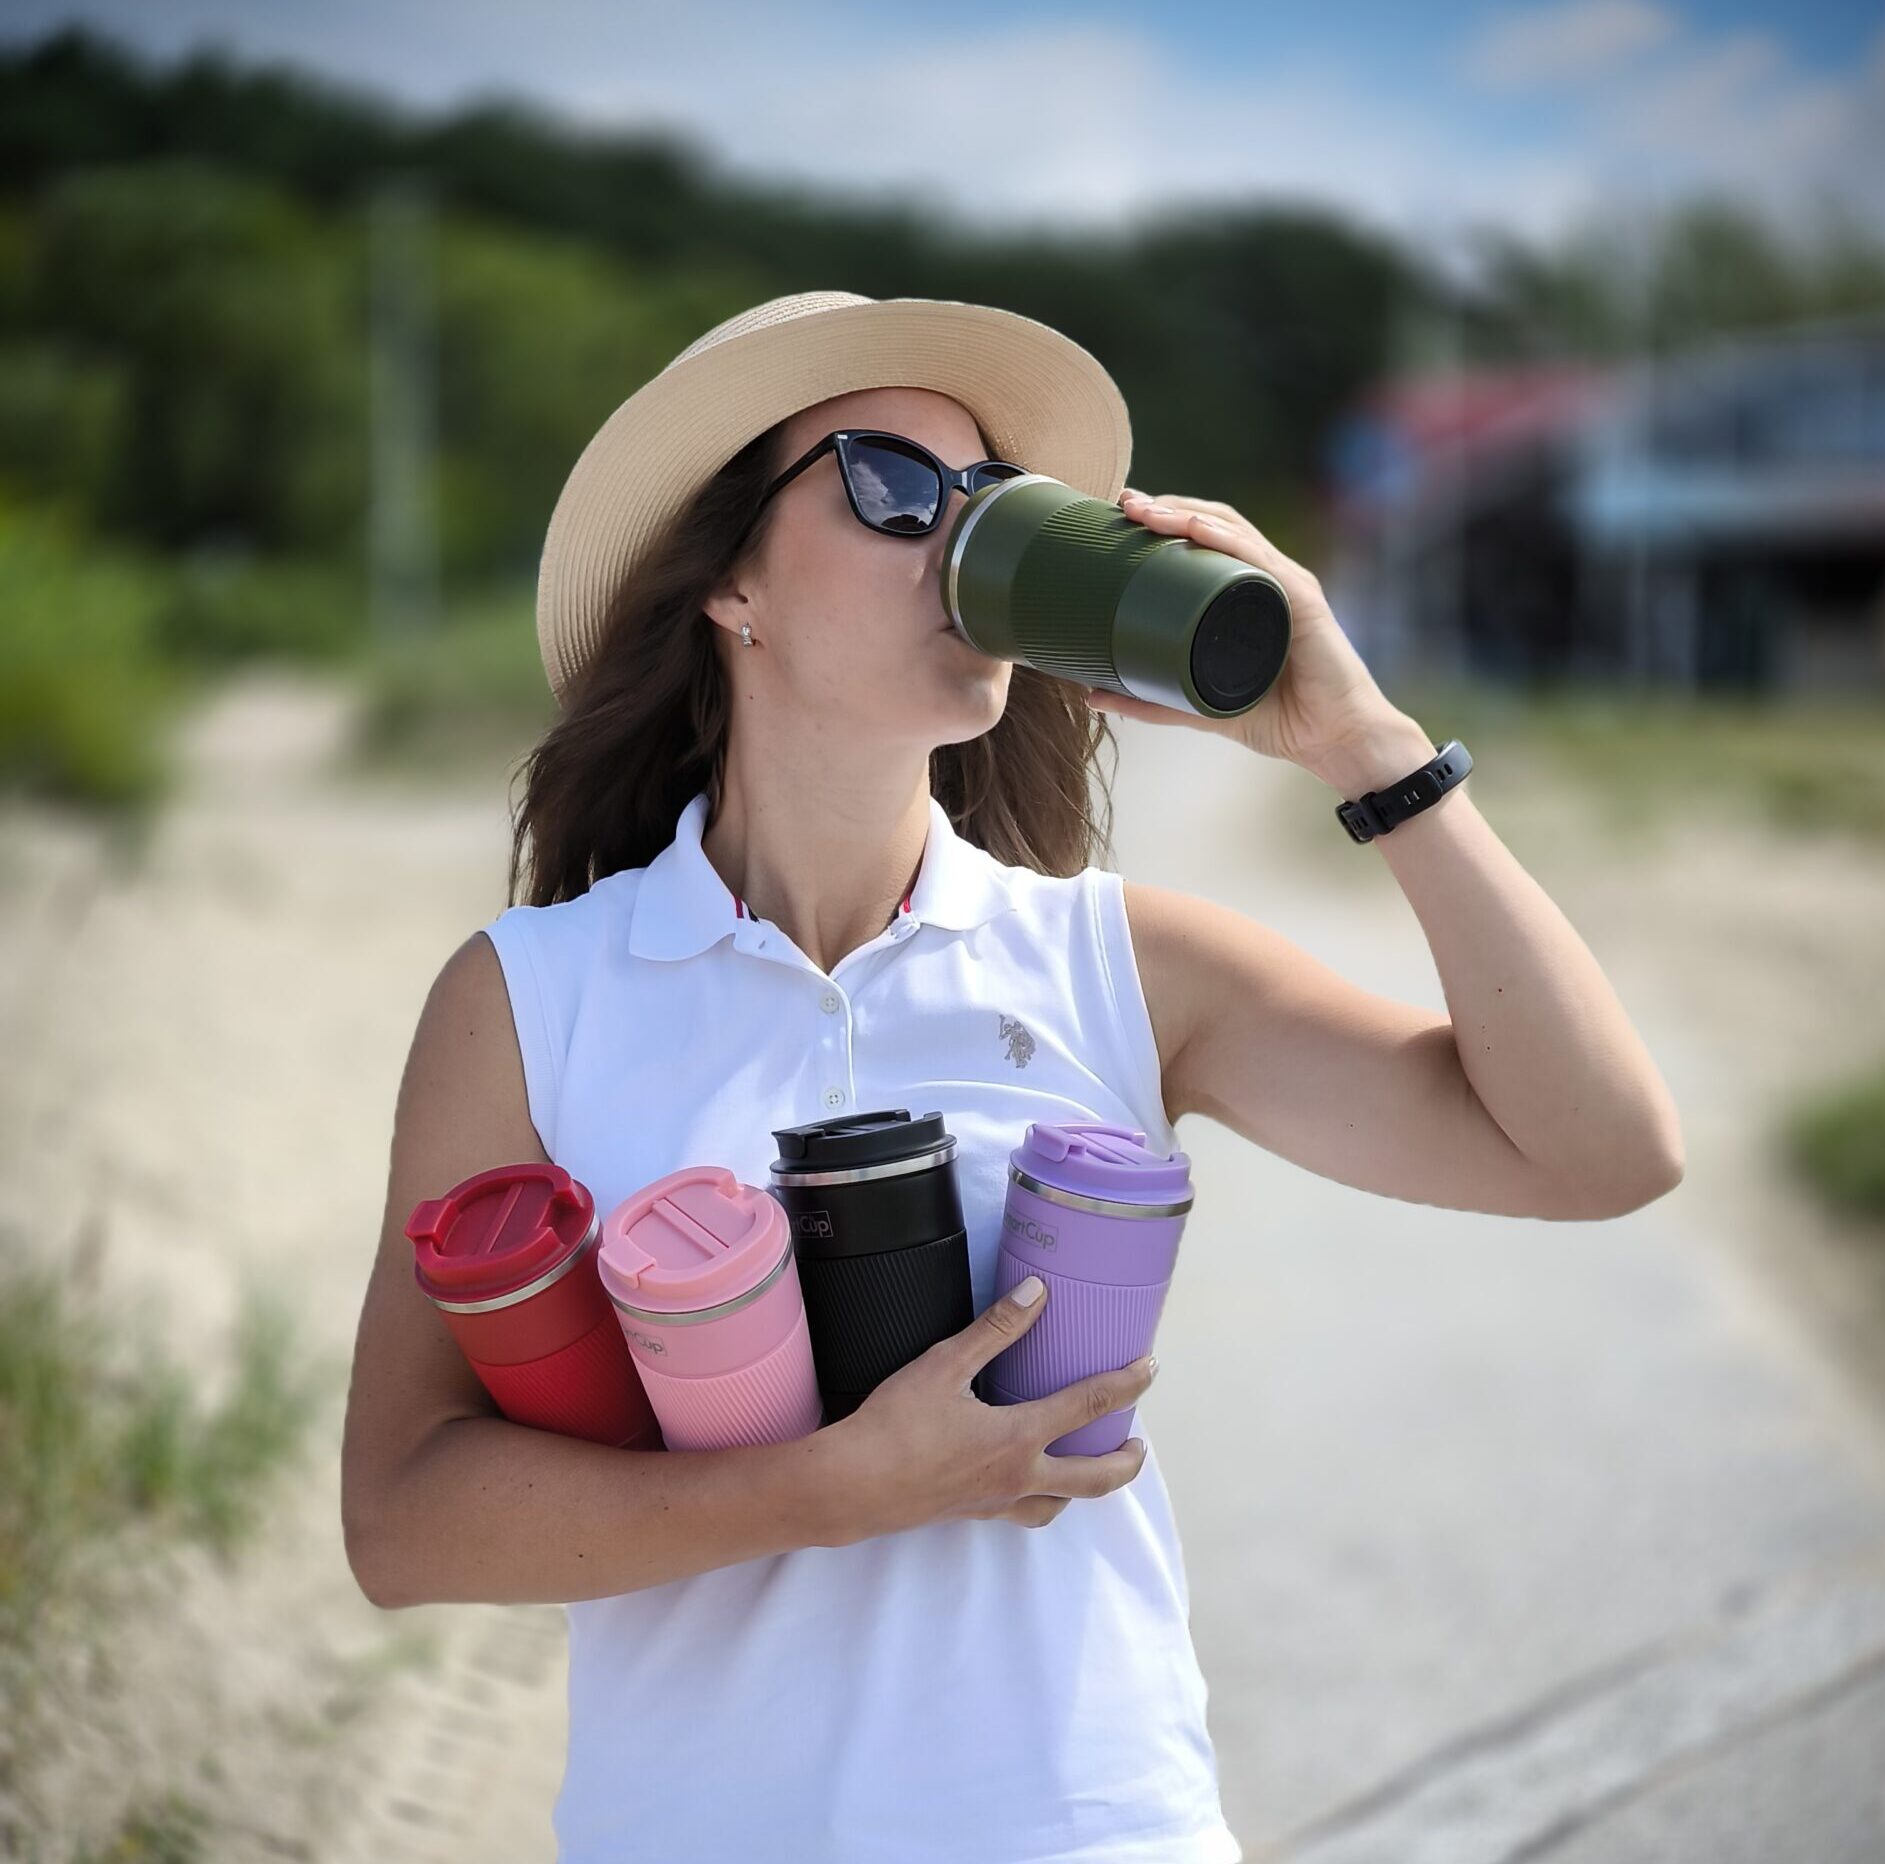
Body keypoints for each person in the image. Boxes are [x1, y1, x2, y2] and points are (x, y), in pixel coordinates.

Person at [340, 291, 1686, 1863]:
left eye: (991, 503)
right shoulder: (530, 1000)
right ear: (730, 584)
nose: (960, 543)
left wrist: (1368, 747)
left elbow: (1603, 1154)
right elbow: (403, 1516)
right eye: (895, 489)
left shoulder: (1118, 967)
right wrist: (834, 1488)